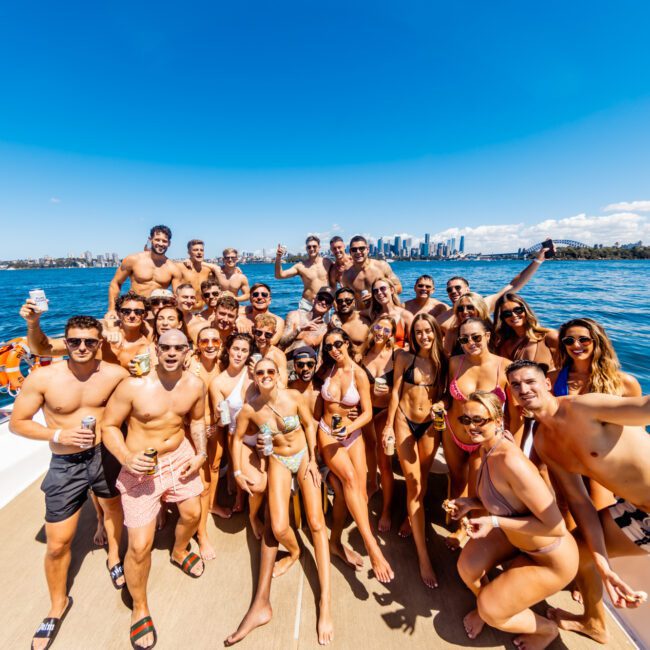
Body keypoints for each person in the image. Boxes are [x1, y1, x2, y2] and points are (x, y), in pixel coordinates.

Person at [506, 360, 650, 645]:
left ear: (547, 383)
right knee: (579, 554)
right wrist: (604, 566)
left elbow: (645, 409)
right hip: (634, 510)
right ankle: (594, 623)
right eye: (516, 385)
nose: (523, 389)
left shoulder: (585, 406)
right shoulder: (544, 440)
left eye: (530, 381)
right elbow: (579, 502)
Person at [9, 316, 128, 650]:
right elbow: (17, 423)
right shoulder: (45, 377)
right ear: (65, 342)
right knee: (58, 542)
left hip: (104, 454)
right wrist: (58, 433)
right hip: (66, 462)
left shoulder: (114, 375)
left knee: (112, 508)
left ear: (100, 342)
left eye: (90, 342)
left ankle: (114, 554)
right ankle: (57, 603)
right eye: (74, 341)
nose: (81, 348)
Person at [102, 330, 207, 650]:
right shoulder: (133, 386)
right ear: (156, 350)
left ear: (187, 351)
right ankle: (140, 607)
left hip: (180, 457)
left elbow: (198, 422)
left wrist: (200, 454)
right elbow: (107, 426)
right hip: (140, 466)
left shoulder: (195, 385)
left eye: (178, 348)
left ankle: (178, 551)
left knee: (192, 513)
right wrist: (126, 458)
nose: (172, 353)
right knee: (139, 547)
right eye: (165, 348)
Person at [450, 391, 579, 649]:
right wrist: (471, 504)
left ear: (498, 420)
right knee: (468, 567)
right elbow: (507, 501)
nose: (471, 427)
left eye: (479, 420)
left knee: (489, 608)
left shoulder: (511, 460)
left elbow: (556, 526)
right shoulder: (489, 447)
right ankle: (494, 604)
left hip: (550, 558)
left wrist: (494, 522)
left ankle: (545, 629)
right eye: (466, 420)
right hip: (519, 540)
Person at [234, 357, 334, 645]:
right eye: (260, 372)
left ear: (278, 374)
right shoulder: (250, 409)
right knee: (278, 527)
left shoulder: (294, 397)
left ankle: (324, 602)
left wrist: (314, 461)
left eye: (270, 371)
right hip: (278, 459)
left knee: (316, 523)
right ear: (254, 377)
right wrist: (239, 471)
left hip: (303, 457)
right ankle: (294, 552)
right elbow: (237, 437)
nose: (265, 375)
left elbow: (311, 425)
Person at [318, 328, 394, 582]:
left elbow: (367, 413)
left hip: (352, 434)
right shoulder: (325, 370)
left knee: (358, 492)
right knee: (349, 479)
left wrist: (350, 427)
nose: (334, 349)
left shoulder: (359, 374)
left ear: (347, 343)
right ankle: (373, 548)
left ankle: (335, 542)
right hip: (328, 433)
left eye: (338, 343)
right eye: (328, 346)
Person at [382, 313, 447, 588]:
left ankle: (411, 517)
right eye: (418, 332)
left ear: (435, 332)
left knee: (422, 478)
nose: (424, 336)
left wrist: (441, 404)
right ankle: (424, 557)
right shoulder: (404, 358)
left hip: (431, 425)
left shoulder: (443, 361)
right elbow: (396, 391)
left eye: (427, 331)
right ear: (412, 335)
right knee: (414, 482)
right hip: (404, 422)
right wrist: (388, 426)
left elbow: (445, 392)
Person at [444, 318, 513, 549]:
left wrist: (515, 447)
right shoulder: (455, 363)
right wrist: (440, 406)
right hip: (453, 433)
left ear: (488, 336)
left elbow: (514, 413)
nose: (470, 342)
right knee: (456, 480)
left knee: (479, 490)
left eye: (476, 337)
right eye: (464, 339)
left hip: (484, 440)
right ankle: (459, 524)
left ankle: (471, 531)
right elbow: (446, 396)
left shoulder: (504, 367)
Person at [209, 333, 262, 532]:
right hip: (239, 438)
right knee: (254, 484)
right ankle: (248, 508)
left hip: (263, 435)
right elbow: (221, 422)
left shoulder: (254, 373)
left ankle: (251, 503)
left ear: (249, 354)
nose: (239, 354)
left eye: (244, 350)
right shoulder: (218, 383)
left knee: (267, 480)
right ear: (228, 350)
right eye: (236, 349)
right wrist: (216, 415)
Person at [438, 246, 550, 331]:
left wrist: (538, 260)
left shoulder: (483, 305)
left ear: (468, 289)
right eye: (449, 290)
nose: (453, 291)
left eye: (457, 287)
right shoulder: (443, 318)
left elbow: (513, 285)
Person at [189, 326, 225, 559]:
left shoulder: (224, 365)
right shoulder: (191, 368)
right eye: (205, 341)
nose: (210, 345)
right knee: (200, 481)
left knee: (215, 468)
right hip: (195, 429)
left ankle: (211, 506)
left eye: (214, 340)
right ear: (198, 345)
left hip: (218, 427)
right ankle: (201, 534)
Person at [361, 316, 397, 531]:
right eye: (378, 327)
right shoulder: (363, 354)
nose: (381, 331)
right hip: (367, 411)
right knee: (369, 452)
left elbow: (401, 390)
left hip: (386, 412)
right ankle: (373, 485)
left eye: (387, 329)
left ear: (391, 334)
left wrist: (390, 391)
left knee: (385, 463)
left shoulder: (396, 356)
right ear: (372, 328)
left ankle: (386, 510)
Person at [105, 225, 182, 320]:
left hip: (156, 311)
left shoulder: (173, 268)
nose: (161, 243)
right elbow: (116, 283)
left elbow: (177, 295)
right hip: (134, 309)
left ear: (169, 243)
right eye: (157, 239)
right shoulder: (133, 260)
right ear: (150, 240)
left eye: (164, 241)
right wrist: (112, 309)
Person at [493, 293, 558, 368]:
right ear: (501, 318)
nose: (514, 315)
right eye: (507, 313)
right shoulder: (504, 345)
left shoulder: (549, 336)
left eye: (518, 310)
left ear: (526, 310)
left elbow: (568, 367)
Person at [341, 235, 402, 307]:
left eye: (361, 248)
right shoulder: (347, 274)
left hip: (383, 313)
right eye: (354, 249)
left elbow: (399, 287)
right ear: (350, 252)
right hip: (363, 315)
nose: (358, 252)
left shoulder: (381, 266)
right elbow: (345, 298)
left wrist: (375, 295)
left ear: (367, 249)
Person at [275, 236, 332, 310]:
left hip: (324, 304)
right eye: (309, 247)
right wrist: (278, 257)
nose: (311, 249)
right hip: (306, 304)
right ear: (306, 249)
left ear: (319, 247)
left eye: (314, 246)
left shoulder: (327, 262)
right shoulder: (300, 266)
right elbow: (279, 275)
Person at [279, 287, 333, 355]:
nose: (323, 302)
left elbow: (320, 356)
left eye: (328, 301)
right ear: (314, 300)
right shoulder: (295, 316)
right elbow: (282, 343)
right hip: (282, 360)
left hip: (303, 364)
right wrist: (299, 329)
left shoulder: (325, 330)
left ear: (330, 307)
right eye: (321, 298)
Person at [366, 278, 413, 350]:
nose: (379, 292)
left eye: (383, 288)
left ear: (392, 290)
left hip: (399, 358)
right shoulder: (374, 314)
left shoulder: (405, 315)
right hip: (379, 358)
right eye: (375, 291)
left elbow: (414, 344)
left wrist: (398, 353)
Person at [441, 291, 491, 356]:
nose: (465, 312)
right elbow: (446, 357)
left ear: (480, 308)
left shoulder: (493, 330)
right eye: (460, 308)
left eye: (470, 307)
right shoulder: (453, 332)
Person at [176, 239, 218, 310]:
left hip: (203, 309)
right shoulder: (180, 268)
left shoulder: (207, 270)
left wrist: (234, 269)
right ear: (189, 252)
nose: (199, 252)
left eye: (201, 250)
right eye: (195, 250)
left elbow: (221, 272)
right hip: (186, 310)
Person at [330, 287, 370, 359]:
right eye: (340, 301)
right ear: (336, 303)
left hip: (365, 363)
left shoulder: (364, 319)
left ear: (354, 302)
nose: (344, 304)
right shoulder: (333, 323)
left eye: (348, 301)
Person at [252, 314, 288, 386]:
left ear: (274, 334)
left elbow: (283, 385)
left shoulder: (277, 355)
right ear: (252, 330)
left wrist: (257, 372)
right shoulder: (246, 349)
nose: (262, 337)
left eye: (268, 335)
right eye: (258, 333)